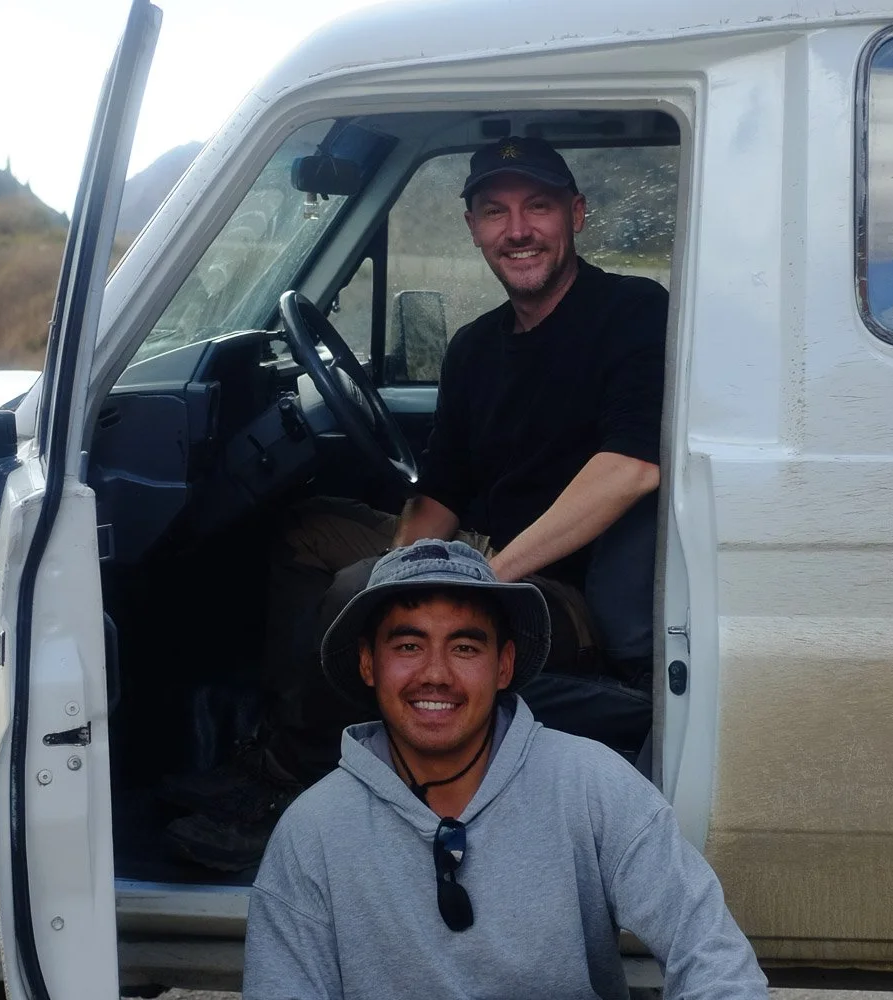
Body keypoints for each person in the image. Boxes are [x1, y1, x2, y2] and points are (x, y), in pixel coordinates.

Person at [162, 136, 668, 868]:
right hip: (483, 550)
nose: (517, 229)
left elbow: (630, 470)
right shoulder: (475, 347)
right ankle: (297, 746)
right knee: (306, 533)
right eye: (495, 211)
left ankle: (282, 791)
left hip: (564, 591)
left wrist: (478, 579)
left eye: (538, 207)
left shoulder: (629, 311)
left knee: (355, 589)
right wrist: (410, 564)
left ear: (576, 214)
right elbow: (442, 492)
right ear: (473, 227)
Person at [242, 539, 768, 1000]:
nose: (436, 674)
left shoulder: (590, 785)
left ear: (504, 666)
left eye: (465, 647)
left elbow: (715, 960)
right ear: (367, 664)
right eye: (408, 645)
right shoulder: (312, 833)